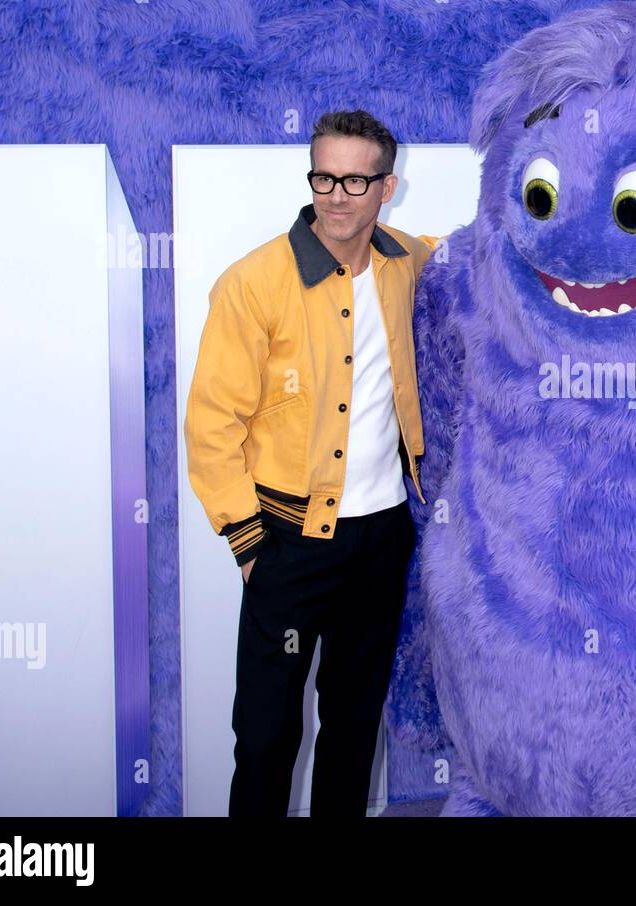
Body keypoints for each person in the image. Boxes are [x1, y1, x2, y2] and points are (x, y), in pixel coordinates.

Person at [184, 109, 439, 816]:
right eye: (323, 176)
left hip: (382, 540)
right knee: (265, 737)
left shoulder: (407, 262)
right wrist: (248, 542)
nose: (336, 195)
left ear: (387, 186)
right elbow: (211, 423)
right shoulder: (255, 283)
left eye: (356, 180)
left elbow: (473, 260)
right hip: (288, 543)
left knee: (354, 730)